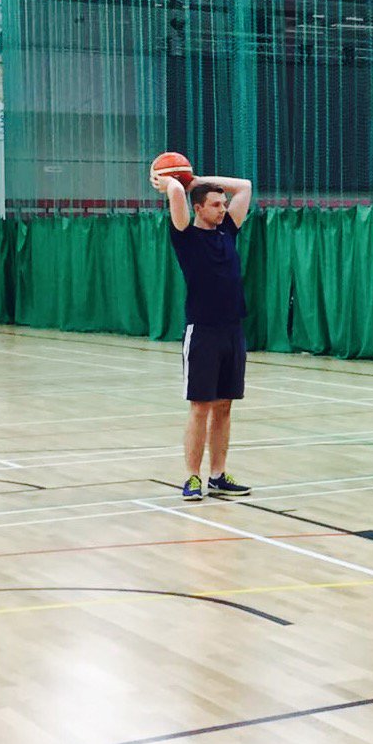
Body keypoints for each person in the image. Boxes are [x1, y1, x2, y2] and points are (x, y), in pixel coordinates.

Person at [152, 162, 254, 501]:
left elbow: (245, 186)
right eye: (215, 204)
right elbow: (178, 193)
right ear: (198, 209)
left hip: (232, 329)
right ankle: (193, 477)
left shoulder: (229, 230)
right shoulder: (186, 235)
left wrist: (199, 179)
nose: (223, 208)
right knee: (201, 406)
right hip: (203, 330)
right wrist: (172, 181)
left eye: (223, 204)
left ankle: (217, 475)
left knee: (225, 406)